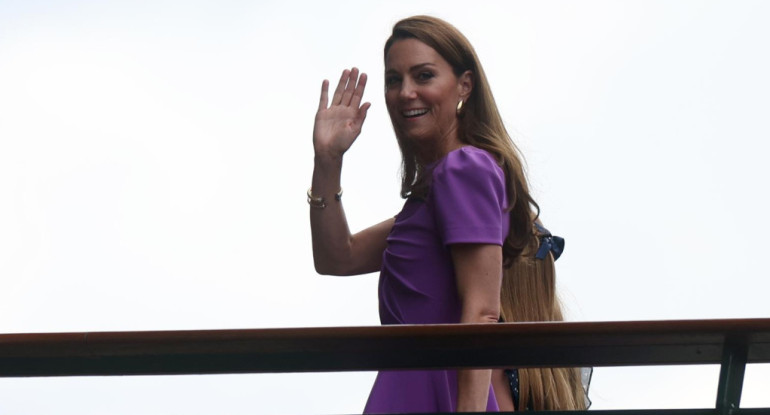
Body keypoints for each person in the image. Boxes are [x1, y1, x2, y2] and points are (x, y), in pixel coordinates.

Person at [309, 15, 586, 412]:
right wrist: (327, 160)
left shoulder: (463, 169)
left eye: (423, 76)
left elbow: (481, 311)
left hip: (433, 388)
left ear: (464, 86)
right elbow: (338, 257)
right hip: (414, 382)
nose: (406, 93)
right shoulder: (435, 191)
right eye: (394, 80)